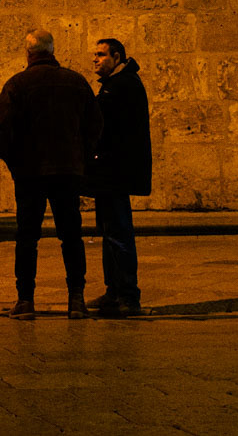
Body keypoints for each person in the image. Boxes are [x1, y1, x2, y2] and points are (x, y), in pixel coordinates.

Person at [0, 30, 101, 319]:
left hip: (30, 172)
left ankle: (25, 300)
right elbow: (95, 125)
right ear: (53, 51)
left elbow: (0, 128)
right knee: (71, 236)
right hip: (68, 170)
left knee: (27, 237)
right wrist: (82, 157)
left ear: (28, 54)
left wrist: (14, 161)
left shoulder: (17, 84)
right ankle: (76, 299)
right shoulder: (76, 82)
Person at [88, 37, 151, 316]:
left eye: (101, 55)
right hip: (110, 171)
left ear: (116, 56)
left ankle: (127, 295)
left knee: (119, 232)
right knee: (111, 232)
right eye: (95, 55)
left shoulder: (122, 86)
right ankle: (114, 292)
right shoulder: (116, 85)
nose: (96, 60)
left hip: (115, 171)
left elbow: (103, 124)